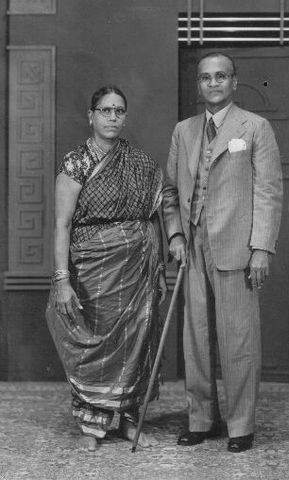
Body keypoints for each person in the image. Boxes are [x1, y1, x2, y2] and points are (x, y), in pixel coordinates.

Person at [162, 53, 283, 452]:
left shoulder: (256, 127)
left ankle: (241, 425)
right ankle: (200, 419)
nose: (212, 83)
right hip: (193, 248)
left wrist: (261, 248)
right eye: (205, 78)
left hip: (237, 247)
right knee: (195, 339)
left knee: (238, 338)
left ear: (234, 81)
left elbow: (268, 192)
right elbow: (170, 192)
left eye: (221, 76)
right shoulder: (184, 130)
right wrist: (176, 236)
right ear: (199, 85)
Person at [46, 86, 167, 451]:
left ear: (125, 117)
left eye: (118, 111)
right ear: (91, 115)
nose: (112, 118)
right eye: (105, 110)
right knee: (95, 342)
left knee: (137, 341)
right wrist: (62, 279)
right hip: (93, 270)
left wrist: (161, 261)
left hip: (138, 269)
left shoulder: (142, 163)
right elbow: (62, 225)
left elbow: (160, 212)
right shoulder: (76, 163)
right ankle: (92, 425)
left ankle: (131, 421)